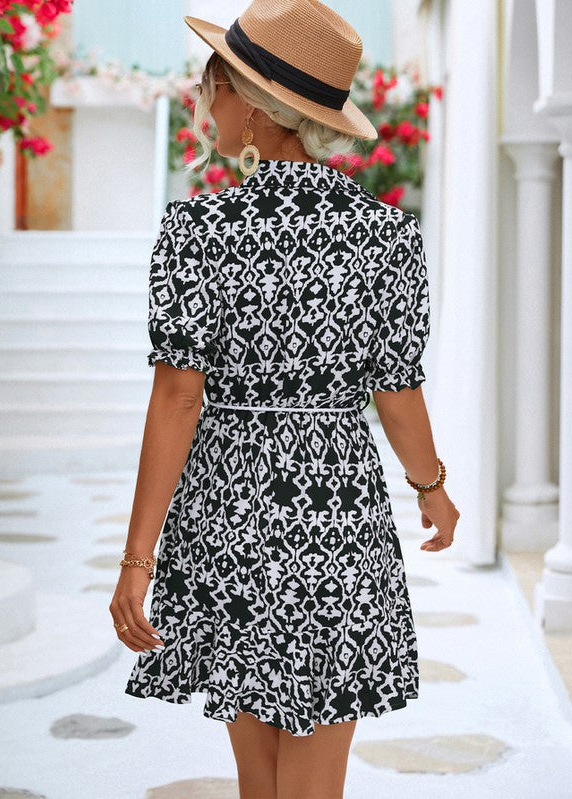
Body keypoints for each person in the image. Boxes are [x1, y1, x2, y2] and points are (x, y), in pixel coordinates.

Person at [110, 1, 460, 797]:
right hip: (334, 507)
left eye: (213, 84)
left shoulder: (197, 230)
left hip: (226, 507)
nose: (205, 101)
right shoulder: (385, 236)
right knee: (311, 777)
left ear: (251, 103)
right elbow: (397, 392)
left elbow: (176, 396)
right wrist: (432, 487)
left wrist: (138, 556)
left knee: (260, 778)